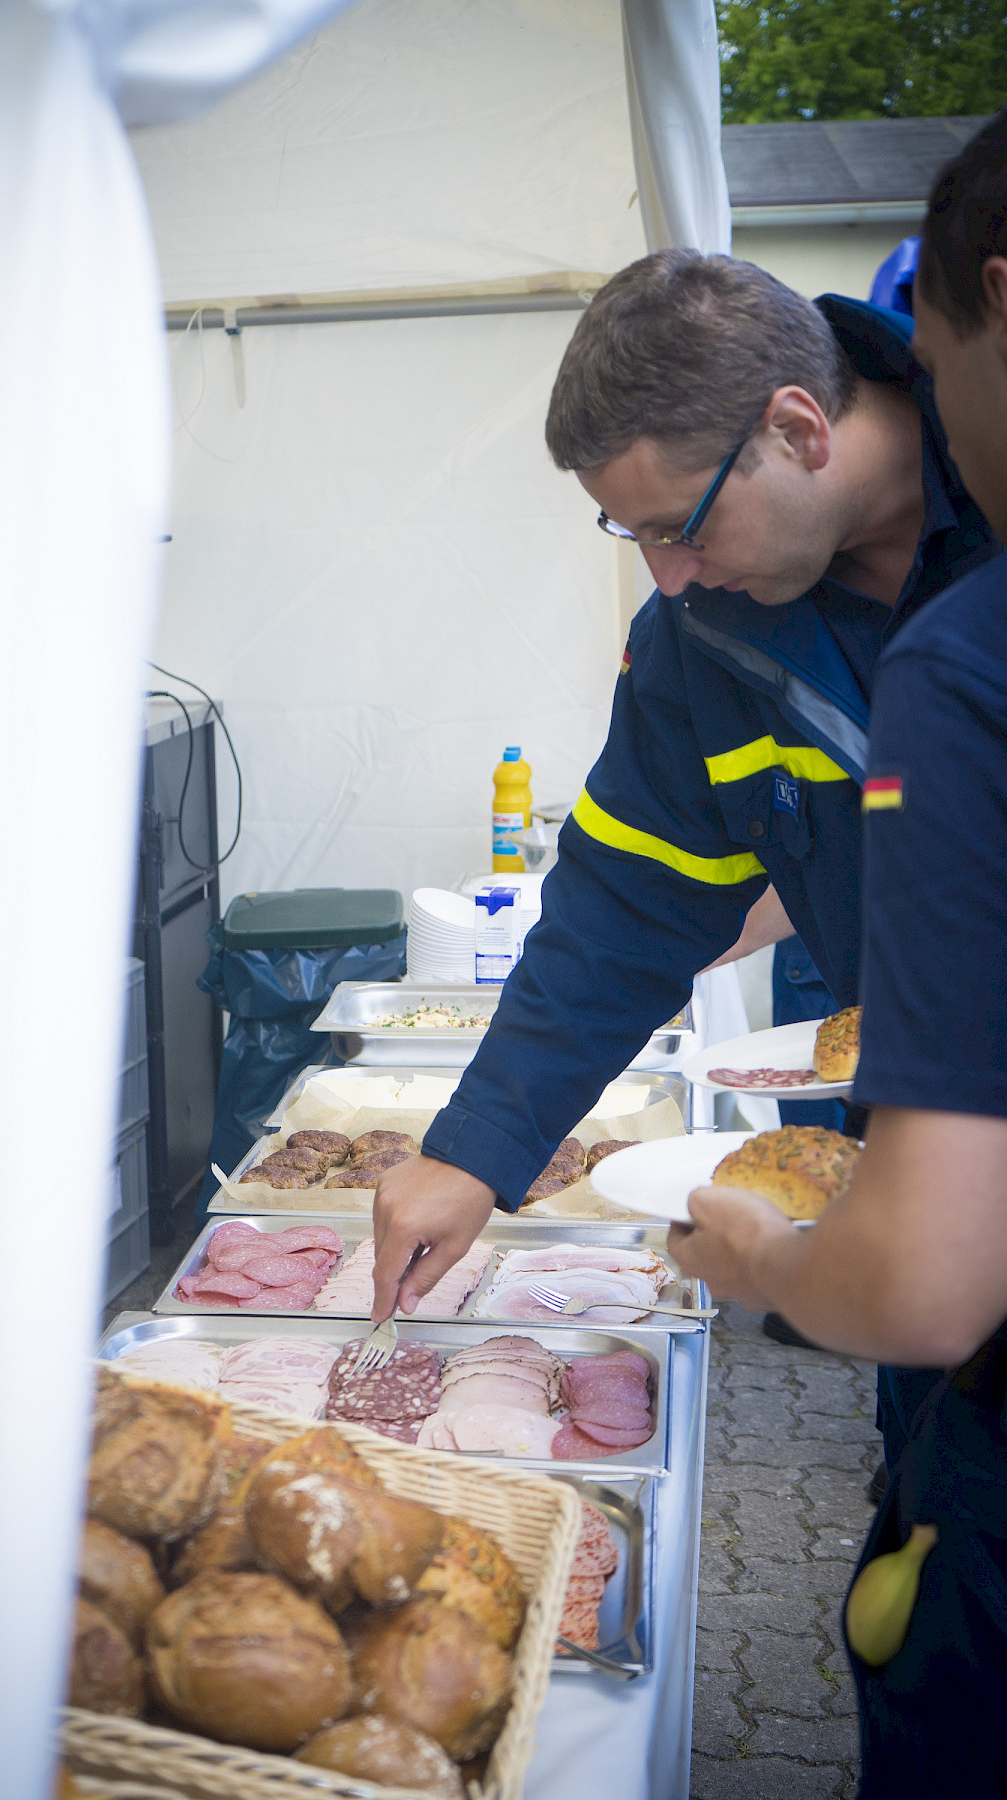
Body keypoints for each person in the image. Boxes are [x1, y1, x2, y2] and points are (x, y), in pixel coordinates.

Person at [370, 249, 997, 1323]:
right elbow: (624, 909)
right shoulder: (697, 642)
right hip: (911, 1169)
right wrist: (475, 1150)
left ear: (798, 430)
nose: (669, 576)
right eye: (632, 533)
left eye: (680, 527)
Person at [669, 110, 1007, 1795]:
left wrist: (762, 1265)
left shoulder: (960, 665)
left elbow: (932, 1282)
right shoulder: (709, 634)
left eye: (944, 354)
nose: (666, 576)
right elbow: (626, 886)